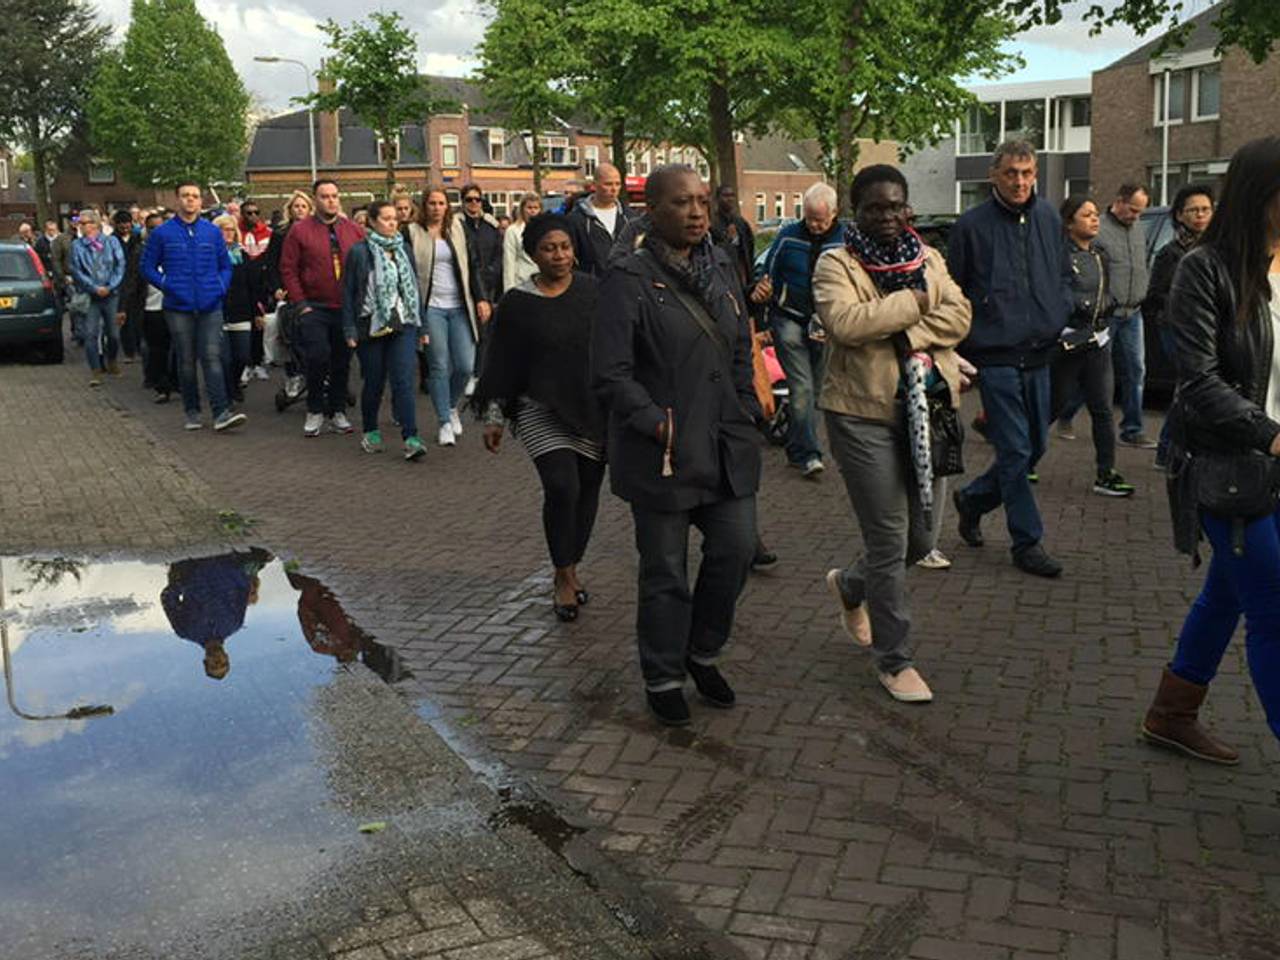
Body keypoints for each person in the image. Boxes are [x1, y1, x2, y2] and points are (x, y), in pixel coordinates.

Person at [593, 164, 761, 727]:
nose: (696, 213)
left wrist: (746, 401)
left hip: (724, 441)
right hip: (662, 450)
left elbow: (739, 339)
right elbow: (611, 373)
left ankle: (702, 651)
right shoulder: (628, 277)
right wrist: (655, 422)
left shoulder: (719, 262)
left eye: (703, 202)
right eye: (682, 203)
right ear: (654, 211)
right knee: (665, 570)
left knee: (735, 550)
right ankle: (663, 673)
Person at [1144, 136, 1280, 765]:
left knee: (1230, 590)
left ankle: (1171, 714)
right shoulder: (1206, 268)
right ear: (1263, 196)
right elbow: (1196, 380)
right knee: (1272, 605)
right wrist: (1269, 433)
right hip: (1231, 467)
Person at [813, 165, 971, 704]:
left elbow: (962, 316)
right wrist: (922, 304)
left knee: (923, 539)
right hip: (862, 416)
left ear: (908, 207)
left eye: (896, 205)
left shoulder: (929, 258)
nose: (887, 216)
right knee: (889, 540)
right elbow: (845, 324)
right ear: (856, 210)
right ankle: (894, 658)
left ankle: (852, 586)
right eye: (875, 207)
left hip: (929, 412)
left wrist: (901, 320)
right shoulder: (835, 262)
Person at [948, 140, 1070, 578]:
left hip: (1040, 351)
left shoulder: (1048, 217)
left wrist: (1060, 309)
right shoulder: (970, 226)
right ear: (993, 177)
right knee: (1016, 449)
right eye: (1011, 174)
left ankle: (974, 499)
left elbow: (1060, 273)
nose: (1020, 182)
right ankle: (1027, 541)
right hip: (994, 354)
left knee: (1035, 447)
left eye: (1027, 173)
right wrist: (959, 352)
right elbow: (954, 292)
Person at [476, 213, 606, 621]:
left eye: (565, 246)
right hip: (538, 409)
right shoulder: (518, 303)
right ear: (533, 254)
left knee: (587, 492)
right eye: (549, 248)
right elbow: (501, 362)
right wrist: (495, 416)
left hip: (589, 409)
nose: (559, 255)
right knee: (562, 485)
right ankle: (563, 575)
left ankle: (570, 564)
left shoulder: (593, 292)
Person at [752, 182, 845, 478]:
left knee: (815, 391)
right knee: (802, 387)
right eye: (809, 218)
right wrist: (763, 286)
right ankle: (809, 454)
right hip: (788, 317)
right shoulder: (789, 235)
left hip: (825, 323)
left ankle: (795, 446)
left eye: (820, 219)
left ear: (834, 213)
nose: (814, 225)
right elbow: (767, 268)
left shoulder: (846, 240)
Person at [140, 180, 245, 432]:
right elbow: (147, 267)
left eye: (195, 196)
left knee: (212, 357)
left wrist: (220, 287)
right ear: (177, 200)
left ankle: (221, 412)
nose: (190, 200)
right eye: (185, 195)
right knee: (186, 360)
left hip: (210, 304)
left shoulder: (211, 232)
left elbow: (224, 265)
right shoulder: (162, 234)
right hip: (177, 306)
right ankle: (192, 410)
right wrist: (168, 285)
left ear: (201, 201)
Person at [1051, 195, 1135, 498]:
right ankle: (1025, 461)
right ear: (1070, 222)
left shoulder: (1100, 255)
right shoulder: (1060, 255)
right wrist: (1079, 310)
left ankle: (1106, 473)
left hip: (1098, 341)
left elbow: (1105, 291)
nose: (1095, 219)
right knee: (1053, 405)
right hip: (1070, 342)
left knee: (1103, 408)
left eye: (1096, 214)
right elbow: (1058, 294)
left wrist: (1110, 305)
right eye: (1086, 215)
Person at [341, 199, 429, 461]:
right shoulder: (359, 252)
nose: (393, 223)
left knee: (403, 380)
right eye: (387, 219)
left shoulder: (404, 250)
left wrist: (421, 324)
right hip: (371, 323)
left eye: (395, 219)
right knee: (374, 382)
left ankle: (411, 437)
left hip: (403, 322)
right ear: (372, 221)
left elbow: (412, 288)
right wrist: (349, 329)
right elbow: (348, 292)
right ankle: (371, 430)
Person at [279, 179, 365, 437]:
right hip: (314, 307)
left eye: (334, 196)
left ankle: (337, 411)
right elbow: (288, 268)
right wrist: (301, 303)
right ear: (315, 200)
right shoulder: (299, 231)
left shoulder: (353, 230)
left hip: (347, 308)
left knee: (342, 362)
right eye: (325, 196)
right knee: (317, 357)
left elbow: (365, 266)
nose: (331, 200)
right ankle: (315, 409)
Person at [405, 186, 489, 446]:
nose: (437, 208)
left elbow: (473, 265)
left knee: (465, 365)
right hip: (431, 307)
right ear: (424, 205)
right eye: (432, 203)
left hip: (459, 305)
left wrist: (482, 297)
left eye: (441, 203)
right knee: (439, 365)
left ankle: (452, 406)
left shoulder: (458, 230)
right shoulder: (411, 232)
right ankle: (443, 421)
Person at [1147, 184, 1215, 469]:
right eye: (1193, 210)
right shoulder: (1169, 254)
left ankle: (1179, 449)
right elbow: (1154, 296)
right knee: (1190, 386)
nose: (1200, 215)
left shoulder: (1218, 248)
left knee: (1191, 389)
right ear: (1180, 215)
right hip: (1175, 329)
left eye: (1205, 209)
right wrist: (1182, 302)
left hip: (1208, 328)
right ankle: (1166, 450)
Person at [1094, 182, 1153, 447]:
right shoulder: (1099, 228)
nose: (1136, 216)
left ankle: (1132, 428)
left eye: (1140, 211)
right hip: (1108, 314)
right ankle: (1067, 413)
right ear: (1118, 201)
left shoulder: (1138, 229)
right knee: (1096, 373)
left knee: (1136, 371)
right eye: (1132, 210)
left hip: (1134, 312)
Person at [161, 549, 270, 680]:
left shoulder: (185, 631)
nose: (218, 662)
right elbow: (243, 590)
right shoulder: (235, 624)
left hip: (193, 566)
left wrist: (183, 582)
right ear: (227, 657)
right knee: (265, 555)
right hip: (228, 562)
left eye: (214, 666)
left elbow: (167, 598)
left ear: (205, 661)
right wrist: (234, 571)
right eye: (223, 663)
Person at [69, 209, 126, 386]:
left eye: (88, 222)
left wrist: (110, 286)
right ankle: (95, 369)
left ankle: (112, 361)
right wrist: (94, 288)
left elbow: (120, 265)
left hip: (111, 294)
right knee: (90, 334)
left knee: (113, 334)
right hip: (90, 296)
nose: (85, 226)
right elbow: (76, 270)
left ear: (97, 224)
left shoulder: (111, 242)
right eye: (82, 223)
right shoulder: (77, 246)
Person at [262, 189, 313, 383]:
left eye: (303, 206)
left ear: (310, 210)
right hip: (287, 291)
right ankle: (293, 377)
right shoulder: (280, 234)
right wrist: (276, 288)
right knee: (290, 336)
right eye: (296, 206)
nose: (299, 210)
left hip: (311, 289)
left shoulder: (317, 231)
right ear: (289, 210)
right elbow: (272, 264)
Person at [214, 214, 263, 404]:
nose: (228, 233)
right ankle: (227, 393)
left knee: (242, 356)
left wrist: (257, 312)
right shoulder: (210, 256)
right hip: (218, 312)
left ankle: (234, 383)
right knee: (225, 358)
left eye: (231, 229)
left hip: (242, 311)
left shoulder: (242, 256)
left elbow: (253, 286)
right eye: (223, 229)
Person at [136, 211, 176, 403]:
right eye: (151, 228)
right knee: (157, 349)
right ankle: (162, 386)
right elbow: (133, 282)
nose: (156, 231)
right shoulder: (141, 252)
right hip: (151, 307)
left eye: (159, 227)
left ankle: (177, 381)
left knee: (178, 347)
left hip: (175, 306)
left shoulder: (176, 249)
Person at [568, 163, 633, 278]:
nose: (614, 189)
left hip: (625, 287)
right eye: (608, 184)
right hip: (591, 287)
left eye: (617, 184)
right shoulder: (576, 219)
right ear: (594, 185)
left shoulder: (629, 217)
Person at [459, 183, 502, 305]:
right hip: (467, 285)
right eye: (469, 199)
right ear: (463, 202)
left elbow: (499, 253)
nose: (474, 202)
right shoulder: (457, 226)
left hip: (490, 285)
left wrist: (492, 272)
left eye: (477, 199)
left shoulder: (491, 225)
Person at [110, 209, 144, 364]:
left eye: (127, 223)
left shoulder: (138, 239)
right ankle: (129, 351)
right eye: (121, 224)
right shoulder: (111, 241)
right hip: (121, 283)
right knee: (124, 318)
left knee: (139, 318)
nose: (124, 226)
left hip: (139, 282)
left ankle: (140, 347)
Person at [710, 184, 755, 291]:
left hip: (742, 277)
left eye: (732, 195)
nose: (729, 199)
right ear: (717, 199)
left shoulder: (741, 223)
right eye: (725, 195)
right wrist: (728, 240)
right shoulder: (712, 224)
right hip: (723, 278)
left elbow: (750, 248)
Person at [502, 192, 543, 292]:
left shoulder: (545, 230)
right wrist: (509, 291)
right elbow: (509, 262)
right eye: (529, 208)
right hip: (522, 282)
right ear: (522, 209)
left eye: (536, 208)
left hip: (543, 283)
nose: (532, 211)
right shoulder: (513, 231)